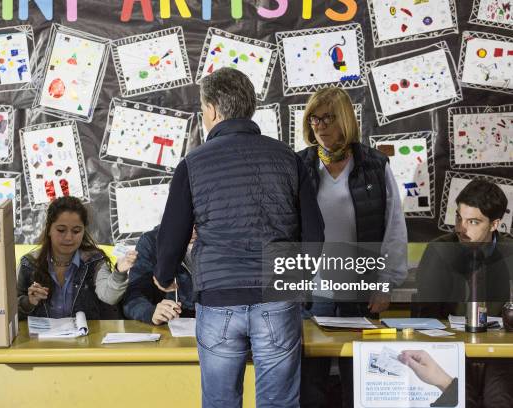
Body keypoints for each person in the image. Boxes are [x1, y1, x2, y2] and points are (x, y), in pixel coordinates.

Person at [153, 67, 325, 408]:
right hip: (277, 297)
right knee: (279, 403)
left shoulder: (193, 163)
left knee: (220, 402)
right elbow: (315, 235)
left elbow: (173, 231)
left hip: (218, 299)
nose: (204, 118)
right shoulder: (288, 158)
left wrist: (163, 274)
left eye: (203, 111)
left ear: (214, 110)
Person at [296, 87, 408, 408]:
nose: (319, 125)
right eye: (314, 118)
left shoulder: (374, 164)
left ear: (345, 119)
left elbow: (393, 228)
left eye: (327, 117)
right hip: (312, 293)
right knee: (310, 383)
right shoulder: (299, 165)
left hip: (360, 292)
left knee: (361, 383)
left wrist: (386, 284)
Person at [412, 179, 513, 408]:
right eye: (458, 218)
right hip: (452, 351)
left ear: (494, 224)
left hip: (501, 355)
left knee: (499, 399)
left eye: (473, 222)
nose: (461, 229)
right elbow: (424, 318)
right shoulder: (440, 251)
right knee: (457, 400)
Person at [17, 196, 137, 320]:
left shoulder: (94, 261)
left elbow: (109, 296)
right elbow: (10, 312)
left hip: (87, 338)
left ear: (83, 231)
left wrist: (119, 273)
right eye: (61, 230)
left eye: (76, 231)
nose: (68, 237)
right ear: (49, 230)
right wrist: (29, 302)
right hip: (40, 338)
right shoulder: (29, 263)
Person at [123, 225, 195, 325]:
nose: (194, 228)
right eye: (190, 220)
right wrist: (151, 313)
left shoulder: (219, 241)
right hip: (171, 329)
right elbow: (133, 297)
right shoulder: (152, 242)